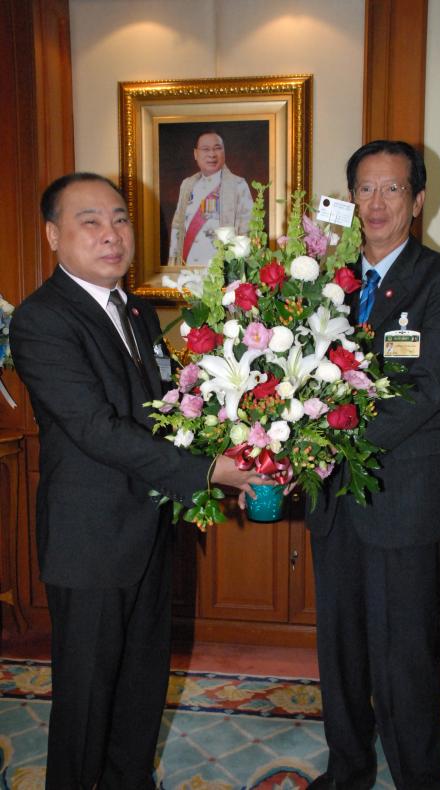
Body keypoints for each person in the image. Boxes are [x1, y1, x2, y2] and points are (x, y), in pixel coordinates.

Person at [10, 172, 267, 790]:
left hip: (149, 528)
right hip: (90, 541)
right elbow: (96, 429)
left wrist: (231, 453)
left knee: (141, 686)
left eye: (120, 219)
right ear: (53, 235)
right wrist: (207, 472)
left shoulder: (137, 312)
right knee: (86, 699)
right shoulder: (42, 320)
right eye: (90, 222)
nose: (111, 234)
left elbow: (166, 415)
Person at [306, 141, 440, 790]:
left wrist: (334, 444)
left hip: (403, 499)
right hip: (332, 501)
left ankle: (418, 781)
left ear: (418, 200)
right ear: (350, 199)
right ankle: (346, 771)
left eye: (393, 189)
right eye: (365, 189)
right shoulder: (323, 282)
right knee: (341, 650)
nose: (376, 203)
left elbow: (429, 387)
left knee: (404, 657)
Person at [167, 130, 254, 266]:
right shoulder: (187, 185)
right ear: (196, 154)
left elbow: (248, 230)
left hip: (222, 268)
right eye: (205, 149)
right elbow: (177, 227)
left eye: (217, 148)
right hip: (188, 266)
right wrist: (173, 262)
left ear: (224, 152)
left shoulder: (238, 185)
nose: (212, 154)